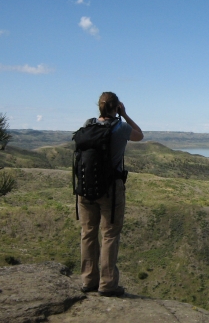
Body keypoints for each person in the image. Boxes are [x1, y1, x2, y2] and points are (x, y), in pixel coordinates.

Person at [79, 92, 143, 297]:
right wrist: (124, 114)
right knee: (109, 235)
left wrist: (116, 111)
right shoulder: (121, 127)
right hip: (111, 190)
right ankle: (107, 284)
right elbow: (139, 135)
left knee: (88, 233)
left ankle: (88, 280)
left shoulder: (88, 125)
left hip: (86, 189)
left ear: (99, 106)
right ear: (116, 107)